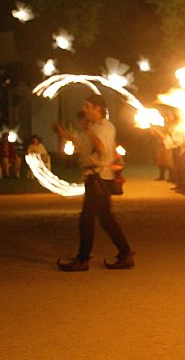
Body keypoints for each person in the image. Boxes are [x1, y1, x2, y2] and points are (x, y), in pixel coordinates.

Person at [53, 95, 134, 272]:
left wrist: (88, 130)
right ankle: (126, 253)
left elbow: (102, 150)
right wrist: (63, 134)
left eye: (87, 106)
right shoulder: (95, 127)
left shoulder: (104, 127)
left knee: (87, 219)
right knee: (106, 219)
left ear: (98, 108)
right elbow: (81, 142)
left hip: (98, 178)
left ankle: (82, 260)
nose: (84, 109)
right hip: (97, 178)